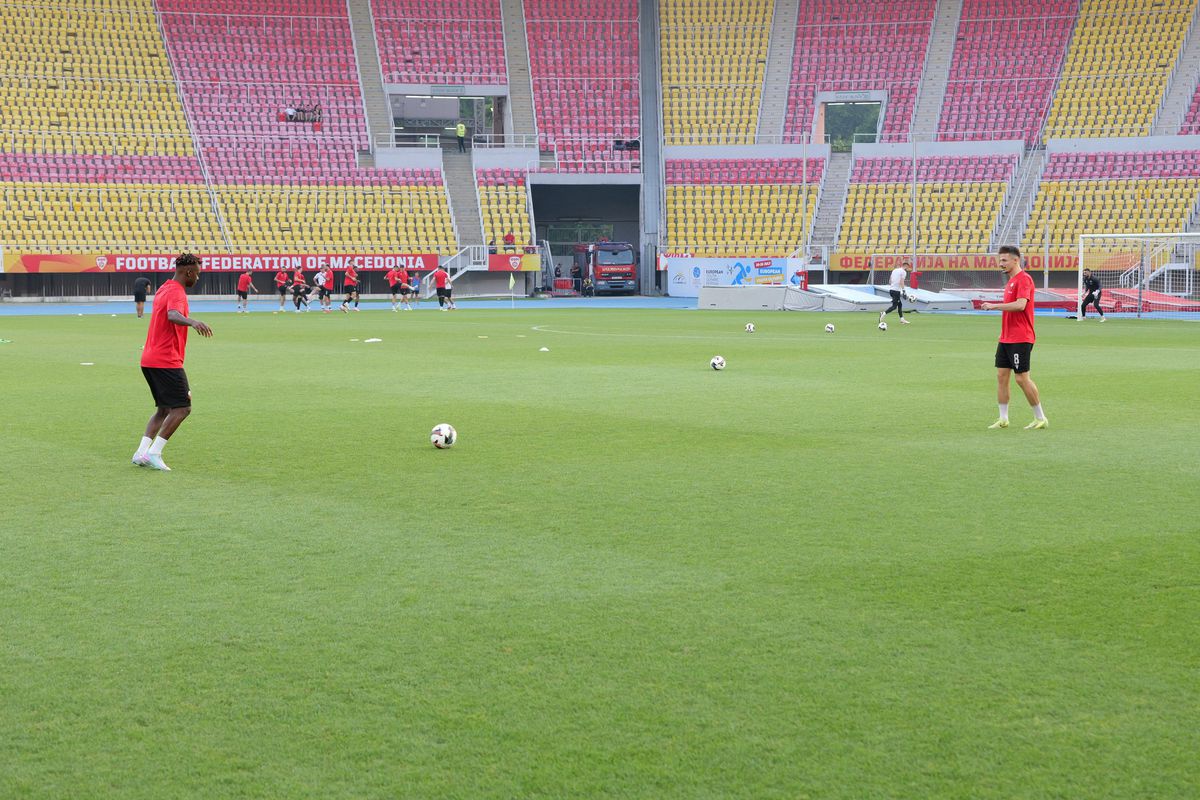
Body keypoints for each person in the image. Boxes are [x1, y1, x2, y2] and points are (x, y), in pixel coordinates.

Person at [131, 253, 213, 471]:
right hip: (166, 359)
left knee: (164, 409)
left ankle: (141, 453)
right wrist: (193, 322)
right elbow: (172, 314)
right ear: (188, 272)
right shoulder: (177, 291)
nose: (197, 278)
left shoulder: (164, 288)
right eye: (197, 274)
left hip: (149, 358)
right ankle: (154, 453)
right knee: (183, 408)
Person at [981, 246, 1048, 430]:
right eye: (1000, 260)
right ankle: (1003, 419)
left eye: (1004, 260)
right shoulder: (1011, 281)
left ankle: (1040, 417)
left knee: (1021, 378)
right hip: (1006, 338)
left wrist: (994, 306)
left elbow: (1020, 305)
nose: (1000, 263)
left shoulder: (1024, 279)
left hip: (1021, 337)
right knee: (1001, 376)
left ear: (1015, 260)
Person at [880, 258, 912, 325]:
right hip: (896, 291)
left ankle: (902, 319)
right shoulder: (904, 272)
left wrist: (894, 285)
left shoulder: (894, 270)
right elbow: (901, 281)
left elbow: (890, 281)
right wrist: (904, 291)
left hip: (891, 290)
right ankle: (884, 313)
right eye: (908, 266)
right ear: (906, 265)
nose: (908, 267)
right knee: (894, 306)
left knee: (900, 304)